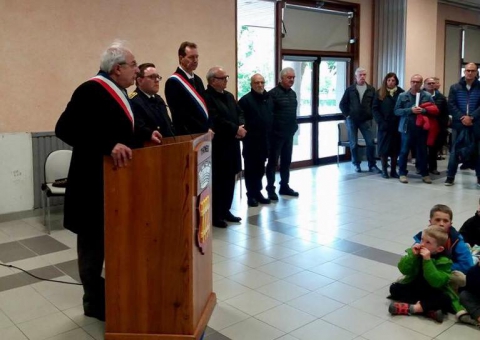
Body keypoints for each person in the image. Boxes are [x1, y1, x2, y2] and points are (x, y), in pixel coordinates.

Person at [55, 41, 161, 322]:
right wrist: (107, 146)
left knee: (109, 242)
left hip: (115, 183)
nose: (137, 70)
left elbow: (120, 128)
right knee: (91, 244)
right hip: (91, 184)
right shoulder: (90, 90)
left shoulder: (120, 92)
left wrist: (145, 134)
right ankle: (93, 303)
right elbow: (64, 128)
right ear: (117, 69)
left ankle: (112, 294)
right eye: (134, 65)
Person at [389, 226, 462, 323]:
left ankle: (413, 308)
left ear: (439, 249)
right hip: (415, 287)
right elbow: (404, 270)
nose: (422, 244)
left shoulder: (445, 261)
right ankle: (428, 311)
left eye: (428, 242)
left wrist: (427, 261)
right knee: (394, 288)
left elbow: (436, 282)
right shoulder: (416, 253)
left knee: (445, 299)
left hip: (432, 291)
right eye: (422, 240)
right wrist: (413, 257)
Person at [205, 67, 246, 228]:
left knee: (230, 179)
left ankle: (226, 210)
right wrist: (235, 129)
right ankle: (216, 215)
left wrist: (241, 125)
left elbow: (239, 112)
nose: (226, 80)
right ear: (212, 80)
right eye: (223, 78)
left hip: (233, 143)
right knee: (219, 180)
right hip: (219, 145)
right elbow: (217, 119)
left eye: (226, 77)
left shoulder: (228, 96)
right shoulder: (207, 97)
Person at [394, 74, 438, 184]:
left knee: (422, 152)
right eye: (413, 81)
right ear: (410, 82)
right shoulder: (402, 95)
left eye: (417, 82)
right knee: (404, 151)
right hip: (407, 127)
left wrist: (423, 111)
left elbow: (434, 110)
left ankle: (425, 174)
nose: (415, 84)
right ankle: (402, 173)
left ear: (421, 83)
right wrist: (410, 110)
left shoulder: (427, 96)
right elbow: (396, 111)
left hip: (421, 128)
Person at [238, 73, 273, 207]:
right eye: (257, 83)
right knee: (251, 169)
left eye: (262, 82)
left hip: (265, 141)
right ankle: (251, 195)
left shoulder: (268, 98)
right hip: (251, 141)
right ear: (251, 84)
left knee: (260, 169)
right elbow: (240, 118)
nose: (260, 85)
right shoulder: (245, 100)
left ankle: (258, 192)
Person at [266, 67, 299, 200]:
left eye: (293, 78)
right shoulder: (272, 94)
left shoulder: (293, 94)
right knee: (273, 162)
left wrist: (294, 126)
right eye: (289, 77)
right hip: (275, 135)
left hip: (289, 134)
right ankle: (270, 189)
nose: (291, 80)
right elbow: (269, 115)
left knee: (286, 162)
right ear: (281, 78)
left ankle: (284, 186)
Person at [445, 62, 480, 186]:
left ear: (476, 72)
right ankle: (450, 177)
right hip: (458, 125)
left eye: (472, 71)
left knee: (478, 151)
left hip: (475, 124)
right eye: (468, 70)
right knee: (454, 151)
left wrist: (471, 117)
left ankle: (479, 177)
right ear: (464, 71)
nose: (470, 73)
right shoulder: (455, 87)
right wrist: (462, 117)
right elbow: (451, 105)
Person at [412, 204, 473, 274]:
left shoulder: (456, 240)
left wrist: (439, 266)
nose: (441, 224)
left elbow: (467, 265)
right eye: (437, 220)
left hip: (447, 274)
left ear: (450, 224)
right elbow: (411, 260)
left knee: (459, 279)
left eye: (445, 221)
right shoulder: (422, 237)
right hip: (424, 272)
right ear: (430, 222)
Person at [339, 67, 379, 173]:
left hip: (366, 120)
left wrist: (371, 114)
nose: (362, 77)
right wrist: (347, 115)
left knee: (370, 143)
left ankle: (372, 164)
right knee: (354, 143)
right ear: (356, 76)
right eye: (360, 75)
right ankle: (356, 164)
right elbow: (342, 104)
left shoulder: (371, 89)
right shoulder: (350, 89)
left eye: (364, 75)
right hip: (352, 120)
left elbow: (374, 105)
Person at [165, 41, 209, 135]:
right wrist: (201, 128)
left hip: (204, 133)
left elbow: (205, 106)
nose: (195, 60)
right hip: (187, 134)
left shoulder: (198, 80)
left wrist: (209, 127)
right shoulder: (173, 82)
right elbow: (180, 114)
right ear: (181, 58)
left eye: (197, 57)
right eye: (191, 57)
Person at [129, 63, 175, 137]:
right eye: (152, 77)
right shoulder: (134, 101)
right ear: (140, 81)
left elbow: (168, 126)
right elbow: (139, 129)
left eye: (157, 77)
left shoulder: (158, 99)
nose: (157, 80)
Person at [372, 72, 404, 178]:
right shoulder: (380, 92)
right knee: (384, 149)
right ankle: (384, 170)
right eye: (389, 80)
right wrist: (380, 121)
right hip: (384, 125)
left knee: (395, 149)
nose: (391, 82)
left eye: (393, 80)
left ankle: (394, 171)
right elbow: (375, 109)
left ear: (396, 82)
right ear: (386, 81)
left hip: (396, 125)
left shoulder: (401, 93)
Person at [422, 77, 448, 175]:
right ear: (424, 85)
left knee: (434, 148)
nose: (431, 85)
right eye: (429, 83)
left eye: (433, 83)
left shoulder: (441, 97)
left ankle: (433, 167)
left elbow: (445, 112)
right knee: (422, 148)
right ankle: (421, 167)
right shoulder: (419, 95)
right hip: (423, 125)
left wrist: (443, 125)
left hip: (437, 126)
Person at [459, 261, 480, 326]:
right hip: (476, 299)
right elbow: (472, 291)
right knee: (464, 295)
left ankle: (474, 320)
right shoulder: (473, 272)